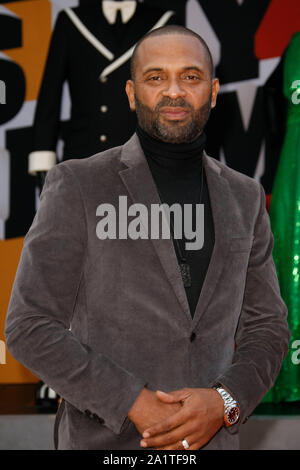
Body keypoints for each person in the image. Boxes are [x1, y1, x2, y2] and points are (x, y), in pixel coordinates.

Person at [5, 25, 290, 450]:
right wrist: (133, 402)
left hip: (209, 444)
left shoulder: (245, 197)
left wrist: (223, 402)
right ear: (131, 93)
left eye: (190, 77)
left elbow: (268, 328)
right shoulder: (78, 185)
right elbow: (28, 325)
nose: (173, 92)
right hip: (107, 444)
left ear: (212, 92)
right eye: (156, 77)